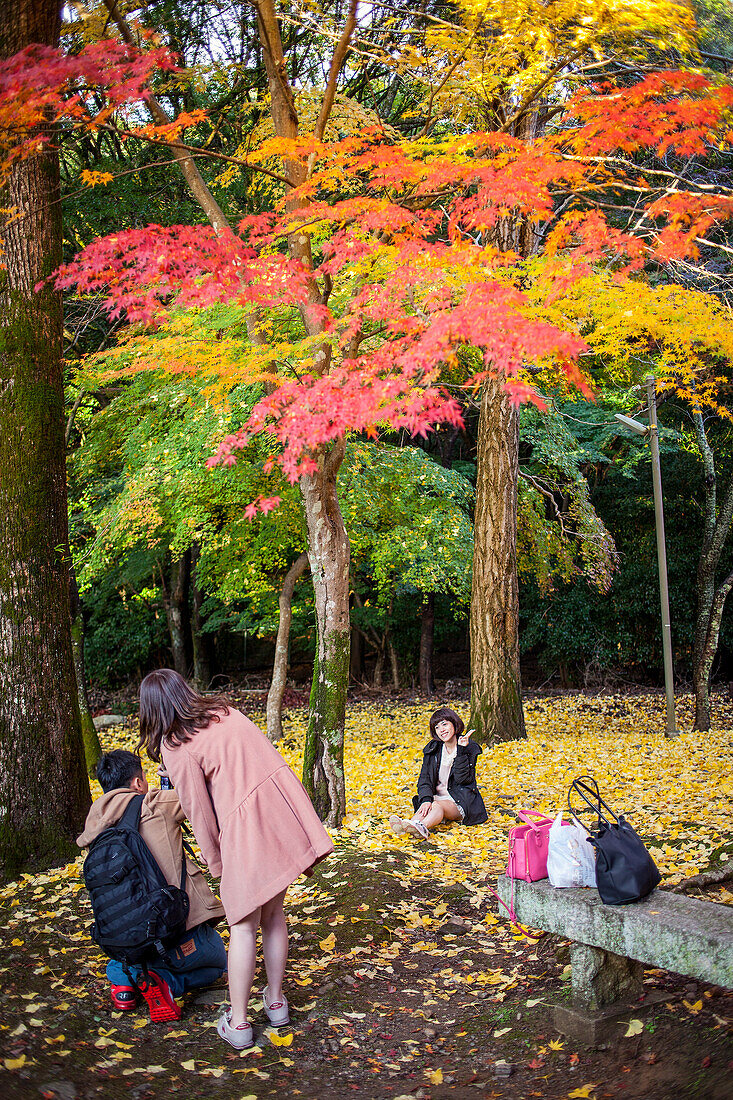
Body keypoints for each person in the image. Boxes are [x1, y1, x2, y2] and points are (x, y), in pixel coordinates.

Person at [137, 669, 334, 1050]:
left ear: (151, 710)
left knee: (243, 925)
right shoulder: (224, 712)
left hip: (244, 825)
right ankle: (276, 1004)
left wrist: (217, 864)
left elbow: (198, 813)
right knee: (274, 914)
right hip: (279, 808)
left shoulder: (175, 745)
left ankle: (240, 1023)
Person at [77, 749, 227, 1022]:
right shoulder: (155, 803)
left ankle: (123, 979)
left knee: (126, 963)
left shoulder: (93, 829)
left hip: (126, 943)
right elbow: (204, 796)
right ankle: (166, 982)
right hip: (176, 935)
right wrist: (176, 775)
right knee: (219, 962)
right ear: (137, 783)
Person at [388, 706, 487, 839]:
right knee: (428, 805)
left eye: (444, 724)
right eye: (437, 727)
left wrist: (462, 751)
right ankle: (410, 826)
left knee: (436, 805)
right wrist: (425, 799)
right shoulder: (433, 749)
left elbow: (463, 779)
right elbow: (425, 779)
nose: (442, 730)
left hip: (460, 801)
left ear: (454, 723)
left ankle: (422, 827)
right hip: (437, 799)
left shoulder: (468, 747)